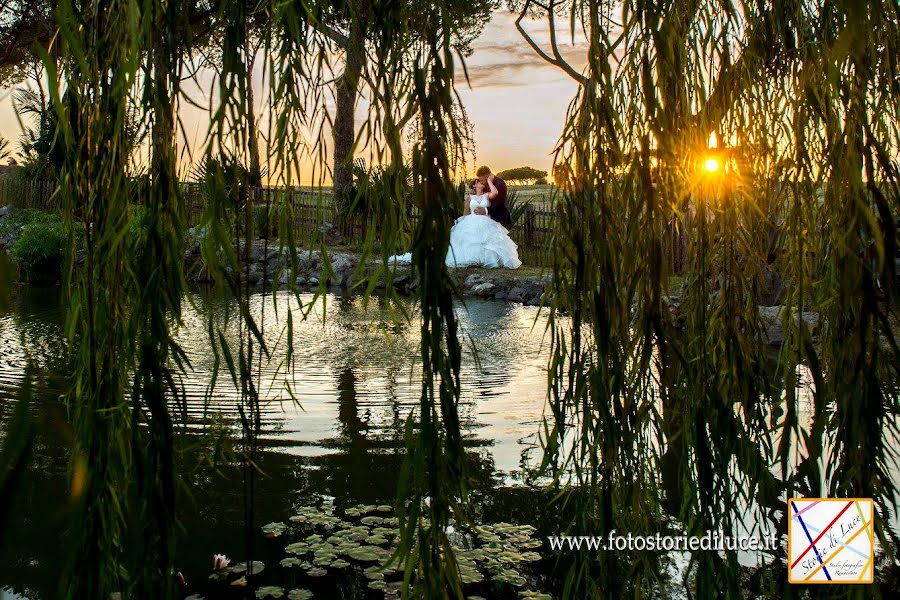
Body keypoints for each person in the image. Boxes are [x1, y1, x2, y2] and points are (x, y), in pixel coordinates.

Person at [391, 178, 521, 269]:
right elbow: (465, 212)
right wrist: (462, 224)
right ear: (474, 186)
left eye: (482, 182)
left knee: (488, 241)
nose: (480, 183)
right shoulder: (469, 198)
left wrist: (489, 181)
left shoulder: (487, 195)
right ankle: (472, 261)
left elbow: (496, 192)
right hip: (472, 220)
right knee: (469, 241)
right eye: (478, 182)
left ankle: (487, 261)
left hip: (487, 221)